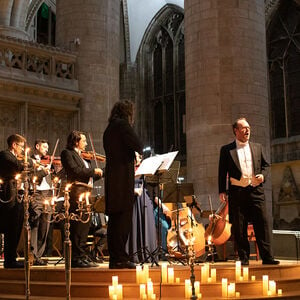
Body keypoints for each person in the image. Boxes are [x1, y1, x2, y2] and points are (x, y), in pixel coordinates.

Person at [218, 117, 279, 266]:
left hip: (256, 190)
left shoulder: (258, 147)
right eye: (244, 128)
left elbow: (266, 166)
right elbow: (221, 171)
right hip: (237, 191)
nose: (247, 131)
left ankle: (267, 257)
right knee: (239, 226)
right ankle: (244, 258)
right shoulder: (227, 150)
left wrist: (263, 176)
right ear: (236, 131)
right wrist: (222, 191)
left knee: (262, 223)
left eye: (249, 128)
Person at [103, 100, 143, 269]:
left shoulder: (108, 128)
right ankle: (121, 258)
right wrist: (135, 154)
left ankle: (115, 258)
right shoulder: (123, 126)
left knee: (114, 220)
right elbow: (138, 145)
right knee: (124, 219)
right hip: (122, 179)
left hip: (111, 178)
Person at [61, 130, 103, 268]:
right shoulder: (67, 153)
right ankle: (76, 258)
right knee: (78, 225)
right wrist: (93, 171)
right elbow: (75, 171)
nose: (86, 143)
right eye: (83, 141)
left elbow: (87, 176)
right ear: (76, 141)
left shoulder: (82, 157)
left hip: (86, 192)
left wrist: (101, 173)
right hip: (76, 192)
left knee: (85, 225)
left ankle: (82, 256)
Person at [0, 134, 27, 268]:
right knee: (10, 227)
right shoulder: (5, 155)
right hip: (8, 197)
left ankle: (12, 258)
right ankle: (9, 260)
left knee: (16, 227)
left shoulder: (15, 158)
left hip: (17, 196)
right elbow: (18, 167)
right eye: (21, 147)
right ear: (14, 145)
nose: (23, 150)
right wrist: (30, 164)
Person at [126, 152, 157, 263]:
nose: (138, 159)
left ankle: (148, 253)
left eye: (139, 157)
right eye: (136, 157)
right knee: (134, 224)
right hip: (132, 197)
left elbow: (151, 185)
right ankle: (134, 254)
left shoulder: (143, 168)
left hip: (143, 197)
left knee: (146, 222)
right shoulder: (127, 169)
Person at [29, 139, 53, 265]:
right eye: (44, 147)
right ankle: (32, 255)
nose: (46, 150)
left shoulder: (48, 161)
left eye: (47, 147)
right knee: (35, 224)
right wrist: (43, 172)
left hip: (48, 194)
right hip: (36, 194)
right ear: (37, 146)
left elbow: (52, 178)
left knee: (45, 225)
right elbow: (31, 177)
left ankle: (39, 255)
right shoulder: (30, 160)